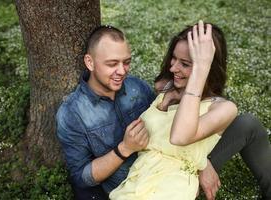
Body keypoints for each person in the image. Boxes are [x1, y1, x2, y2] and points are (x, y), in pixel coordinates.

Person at [56, 24, 271, 200]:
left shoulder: (136, 88)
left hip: (174, 182)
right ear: (89, 62)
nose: (122, 71)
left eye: (126, 62)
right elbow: (81, 178)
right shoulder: (71, 114)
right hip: (131, 186)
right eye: (112, 64)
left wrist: (202, 163)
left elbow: (173, 132)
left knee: (247, 123)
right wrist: (124, 149)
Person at [109, 20, 237, 199]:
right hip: (136, 182)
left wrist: (201, 68)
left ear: (208, 67)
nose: (173, 68)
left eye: (185, 64)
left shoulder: (223, 109)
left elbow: (179, 137)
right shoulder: (166, 87)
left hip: (172, 188)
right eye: (174, 58)